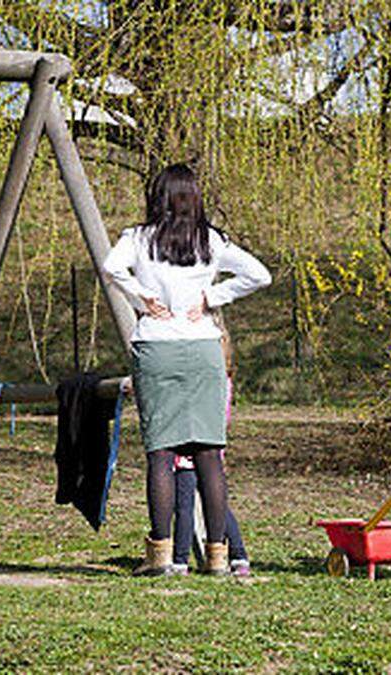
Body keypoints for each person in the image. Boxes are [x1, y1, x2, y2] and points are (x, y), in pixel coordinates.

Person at [103, 163, 271, 576]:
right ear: (195, 198)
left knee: (160, 451)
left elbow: (110, 267)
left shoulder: (137, 239)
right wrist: (212, 297)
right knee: (209, 452)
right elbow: (259, 275)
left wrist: (141, 296)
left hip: (156, 346)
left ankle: (160, 555)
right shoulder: (210, 240)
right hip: (202, 349)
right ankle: (218, 556)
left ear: (157, 197)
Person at [171, 313, 251, 576]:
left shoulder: (199, 381)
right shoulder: (224, 382)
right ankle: (238, 556)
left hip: (187, 448)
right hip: (213, 450)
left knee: (184, 506)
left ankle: (180, 561)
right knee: (217, 505)